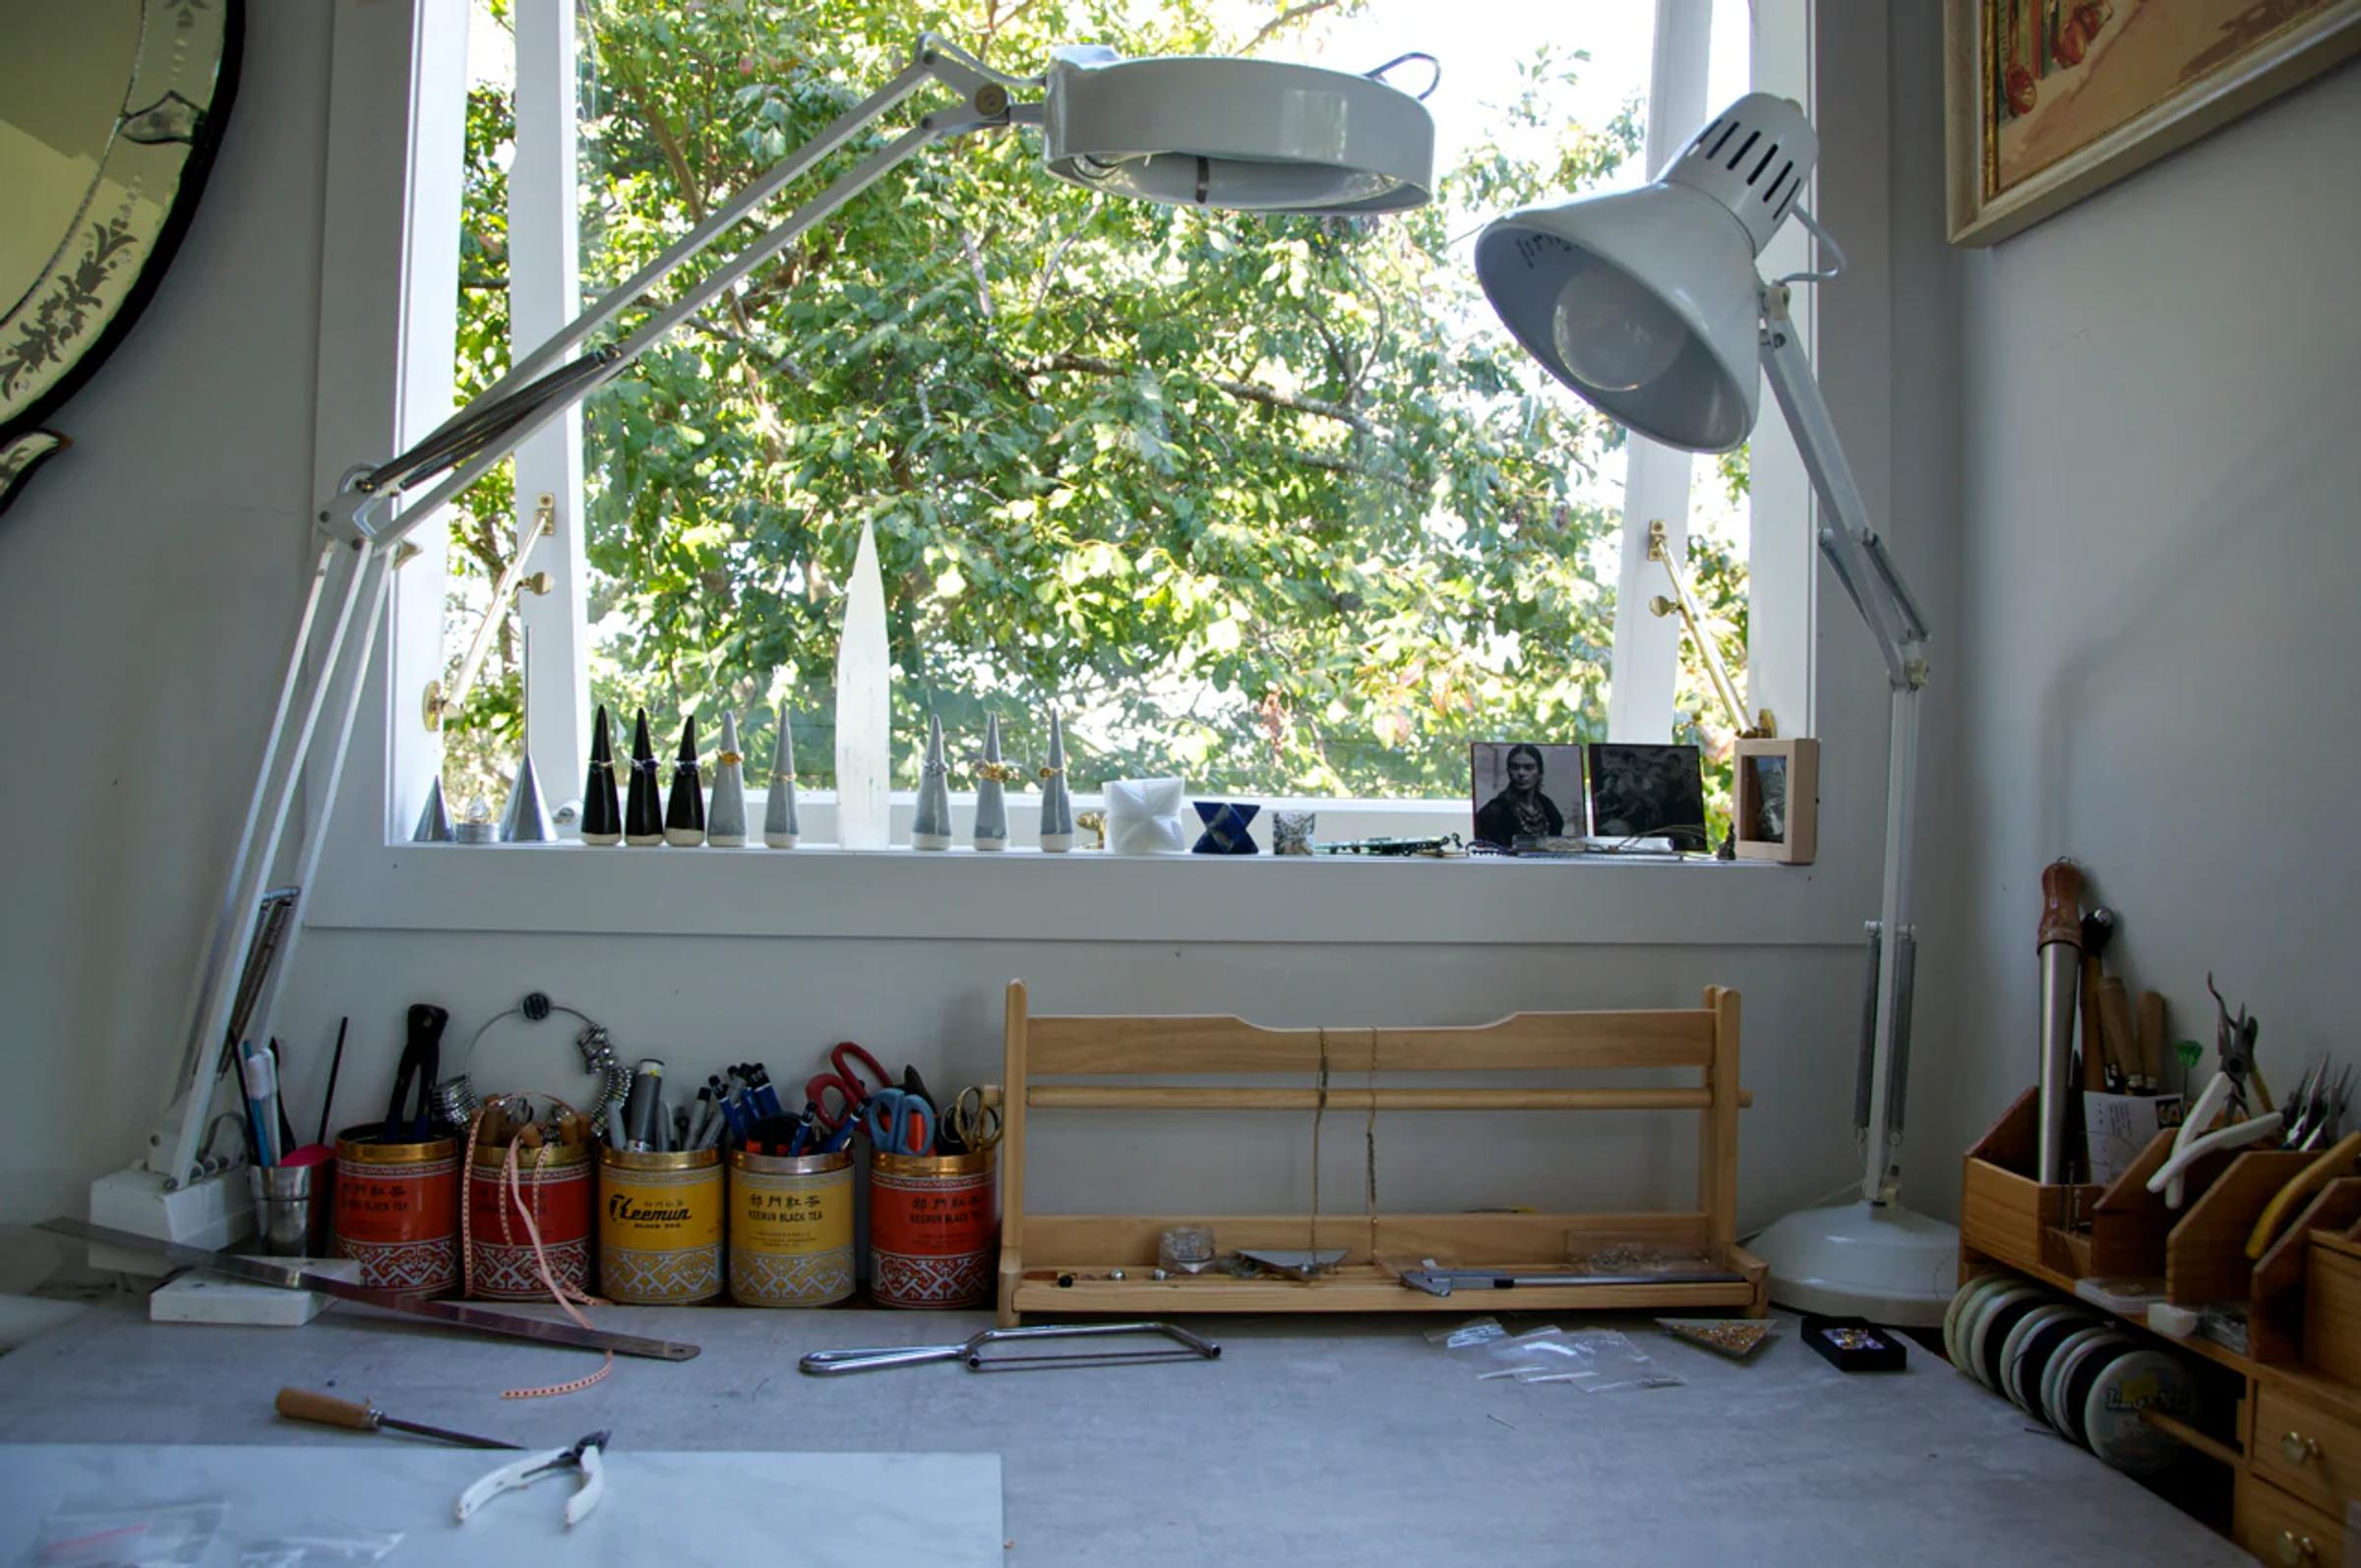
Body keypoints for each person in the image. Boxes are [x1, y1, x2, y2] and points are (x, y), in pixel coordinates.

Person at [1474, 744, 1565, 848]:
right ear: (1508, 771)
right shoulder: (1492, 813)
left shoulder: (1549, 809)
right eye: (1515, 767)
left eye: (1528, 768)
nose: (1521, 773)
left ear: (1540, 773)